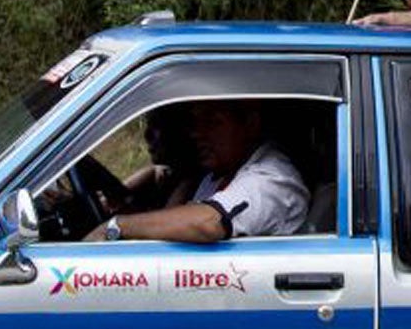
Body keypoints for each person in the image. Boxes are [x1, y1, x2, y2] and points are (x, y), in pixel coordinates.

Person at [90, 101, 308, 243]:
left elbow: (209, 222)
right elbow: (168, 201)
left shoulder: (271, 179)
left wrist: (117, 226)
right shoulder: (220, 173)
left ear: (250, 124)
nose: (198, 133)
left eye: (213, 122)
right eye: (196, 122)